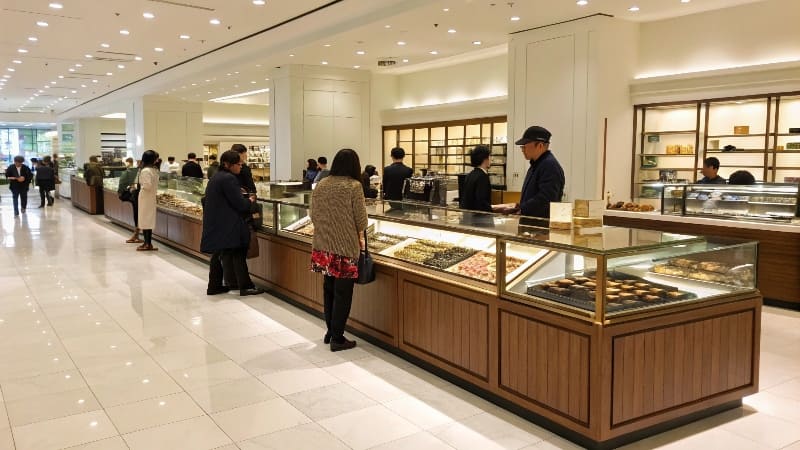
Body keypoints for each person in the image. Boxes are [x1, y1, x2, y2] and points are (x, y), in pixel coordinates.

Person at [310, 148, 368, 352]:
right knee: (343, 293)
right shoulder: (354, 186)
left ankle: (330, 332)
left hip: (323, 245)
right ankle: (338, 337)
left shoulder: (322, 183)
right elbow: (361, 220)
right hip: (344, 247)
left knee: (329, 289)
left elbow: (313, 213)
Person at [201, 150, 265, 297]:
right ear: (227, 164)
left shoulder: (217, 177)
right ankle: (246, 286)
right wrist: (249, 200)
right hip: (228, 224)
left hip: (217, 223)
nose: (240, 167)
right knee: (238, 252)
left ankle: (214, 286)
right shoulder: (229, 179)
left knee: (218, 254)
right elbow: (241, 205)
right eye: (238, 164)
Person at [514, 126, 565, 218]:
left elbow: (546, 198)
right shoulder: (536, 164)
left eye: (525, 145)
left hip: (540, 226)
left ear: (540, 146)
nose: (522, 149)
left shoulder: (549, 166)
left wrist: (522, 209)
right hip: (530, 223)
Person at [136, 150, 160, 251]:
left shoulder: (146, 171)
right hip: (150, 197)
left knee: (145, 219)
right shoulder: (154, 170)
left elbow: (147, 185)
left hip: (145, 197)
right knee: (148, 219)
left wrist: (139, 186)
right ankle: (148, 243)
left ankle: (147, 243)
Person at [459, 145, 493, 213]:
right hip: (478, 219)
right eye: (490, 157)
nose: (491, 159)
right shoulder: (482, 177)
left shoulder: (470, 174)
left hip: (467, 216)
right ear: (485, 159)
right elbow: (481, 203)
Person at [118, 158, 142, 243]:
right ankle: (137, 235)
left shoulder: (141, 171)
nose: (138, 164)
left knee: (138, 215)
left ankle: (138, 235)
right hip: (138, 196)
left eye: (139, 162)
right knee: (137, 215)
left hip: (140, 196)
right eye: (137, 162)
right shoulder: (138, 171)